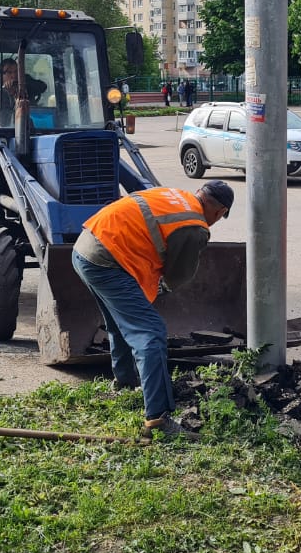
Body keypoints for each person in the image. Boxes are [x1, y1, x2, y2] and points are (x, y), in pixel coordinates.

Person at [72, 180, 235, 439]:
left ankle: (125, 383)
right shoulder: (194, 227)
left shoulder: (175, 194)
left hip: (85, 248)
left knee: (118, 323)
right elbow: (177, 274)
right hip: (107, 261)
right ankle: (158, 419)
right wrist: (162, 288)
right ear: (219, 212)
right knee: (151, 333)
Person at [0, 57, 47, 124]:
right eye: (9, 72)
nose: (14, 75)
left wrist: (22, 85)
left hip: (29, 122)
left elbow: (43, 86)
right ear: (2, 74)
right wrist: (10, 94)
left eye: (16, 71)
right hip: (6, 127)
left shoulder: (25, 79)